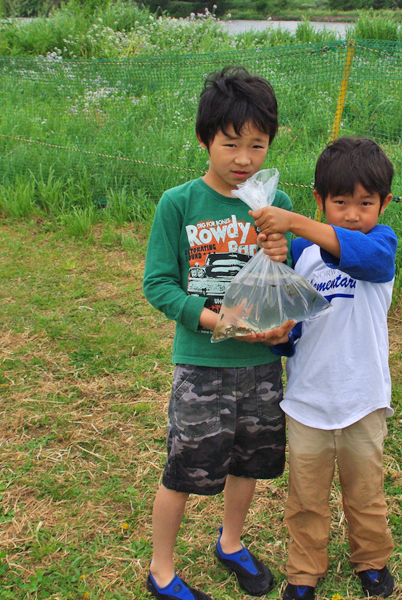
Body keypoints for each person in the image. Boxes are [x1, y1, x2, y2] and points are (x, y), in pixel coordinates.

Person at [142, 65, 295, 600]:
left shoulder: (274, 208)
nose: (245, 160)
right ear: (205, 139)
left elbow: (284, 285)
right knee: (185, 468)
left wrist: (281, 256)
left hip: (260, 366)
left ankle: (231, 542)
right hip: (202, 365)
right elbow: (158, 285)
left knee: (249, 460)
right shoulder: (178, 203)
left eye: (257, 145)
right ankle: (161, 571)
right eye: (231, 144)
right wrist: (214, 320)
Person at [251, 136, 398, 599]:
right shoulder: (303, 254)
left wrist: (296, 222)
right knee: (306, 498)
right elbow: (295, 321)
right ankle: (303, 571)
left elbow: (365, 255)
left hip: (362, 399)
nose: (353, 213)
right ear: (321, 199)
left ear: (384, 204)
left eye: (365, 203)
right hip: (307, 399)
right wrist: (281, 334)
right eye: (340, 202)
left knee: (365, 495)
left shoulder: (382, 245)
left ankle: (371, 561)